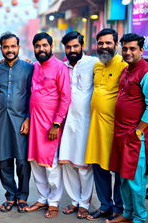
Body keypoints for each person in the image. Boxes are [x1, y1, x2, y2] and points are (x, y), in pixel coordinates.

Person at [27, 32, 71, 218]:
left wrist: (56, 124)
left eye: (44, 45)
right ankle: (42, 198)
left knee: (51, 165)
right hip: (35, 124)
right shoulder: (35, 66)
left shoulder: (60, 68)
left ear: (50, 47)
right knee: (36, 163)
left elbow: (65, 97)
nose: (41, 49)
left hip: (50, 125)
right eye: (38, 46)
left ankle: (53, 202)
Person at [85, 28, 127, 220]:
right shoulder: (97, 65)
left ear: (116, 45)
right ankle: (104, 205)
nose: (103, 47)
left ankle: (119, 208)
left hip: (116, 128)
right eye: (100, 43)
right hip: (96, 126)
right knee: (98, 167)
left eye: (108, 43)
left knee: (117, 170)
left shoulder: (124, 65)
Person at [106, 33, 148, 223]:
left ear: (141, 50)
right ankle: (128, 214)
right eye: (125, 49)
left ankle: (140, 217)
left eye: (132, 49)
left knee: (135, 182)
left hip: (135, 137)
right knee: (122, 177)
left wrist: (138, 131)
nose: (128, 52)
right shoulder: (126, 70)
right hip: (120, 134)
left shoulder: (145, 72)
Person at [0, 32, 33, 213]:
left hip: (21, 122)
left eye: (13, 46)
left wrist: (28, 118)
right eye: (6, 47)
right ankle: (10, 196)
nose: (9, 50)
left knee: (23, 162)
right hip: (1, 122)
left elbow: (34, 95)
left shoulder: (28, 68)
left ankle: (23, 196)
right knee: (4, 161)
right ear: (1, 48)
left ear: (18, 47)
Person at [59, 31, 98, 219]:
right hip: (66, 124)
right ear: (64, 49)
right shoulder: (62, 67)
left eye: (75, 46)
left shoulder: (93, 63)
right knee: (67, 163)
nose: (72, 50)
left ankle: (85, 203)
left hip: (86, 123)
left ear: (82, 46)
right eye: (68, 47)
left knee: (83, 166)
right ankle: (75, 201)